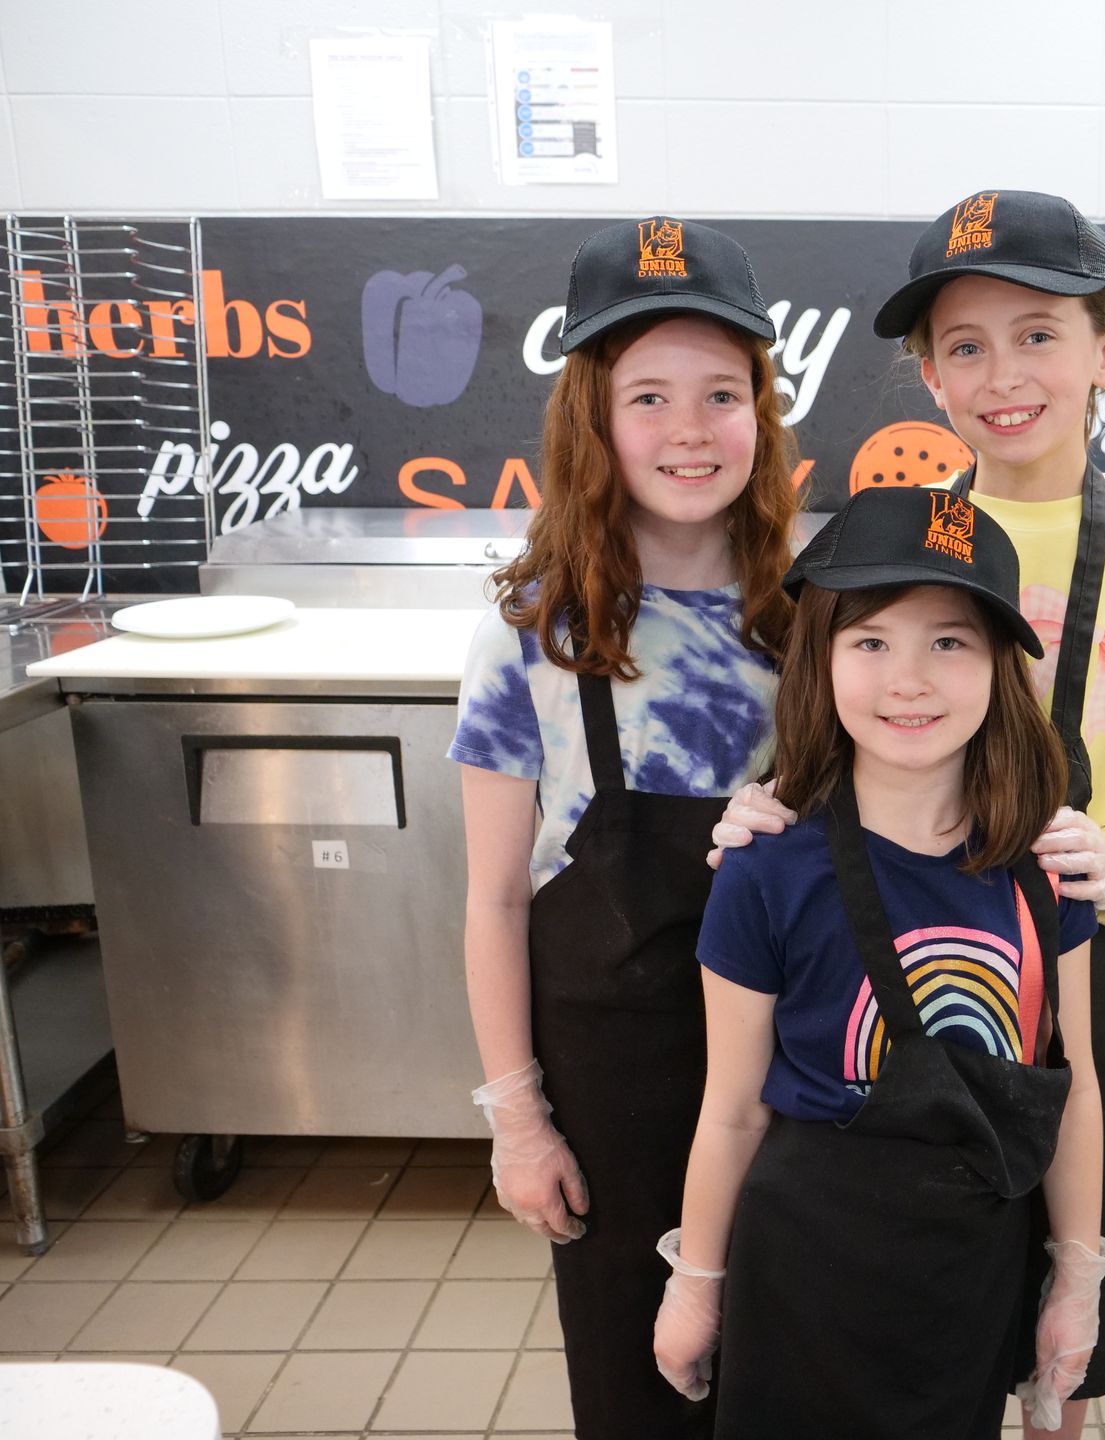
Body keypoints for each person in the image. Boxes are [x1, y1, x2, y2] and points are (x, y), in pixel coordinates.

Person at [714, 189, 1105, 1438]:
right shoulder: (893, 544)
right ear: (928, 375)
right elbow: (823, 739)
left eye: (1039, 334)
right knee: (912, 1327)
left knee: (1063, 1353)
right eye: (964, 347)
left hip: (1085, 969)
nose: (1004, 375)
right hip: (896, 981)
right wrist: (757, 814)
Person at [653, 486, 1105, 1438]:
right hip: (802, 1268)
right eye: (870, 642)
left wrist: (1075, 1275)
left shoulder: (1046, 870)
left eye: (949, 641)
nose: (909, 679)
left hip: (972, 1267)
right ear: (821, 662)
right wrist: (696, 1282)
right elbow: (730, 1107)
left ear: (999, 667)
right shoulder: (765, 869)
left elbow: (1077, 1089)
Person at [451, 216, 797, 1440]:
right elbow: (495, 896)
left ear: (763, 410)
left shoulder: (818, 615)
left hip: (797, 1072)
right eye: (649, 396)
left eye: (722, 393)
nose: (690, 430)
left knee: (795, 1366)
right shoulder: (533, 630)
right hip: (611, 1081)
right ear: (593, 420)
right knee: (635, 1385)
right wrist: (519, 1118)